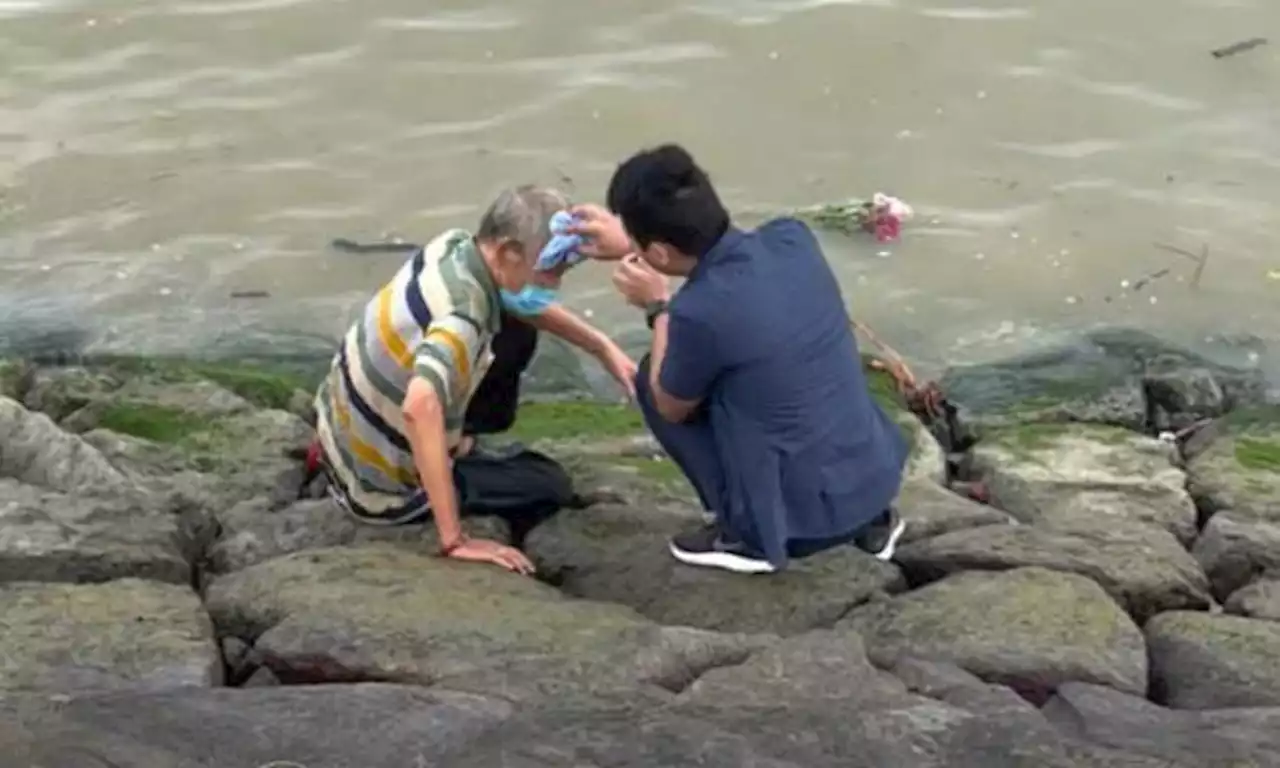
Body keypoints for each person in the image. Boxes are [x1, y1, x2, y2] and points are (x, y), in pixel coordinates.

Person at [566, 144, 909, 575]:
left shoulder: (697, 313)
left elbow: (670, 404)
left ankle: (747, 536)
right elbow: (731, 255)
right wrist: (637, 242)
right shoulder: (792, 238)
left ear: (658, 254)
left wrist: (658, 309)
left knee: (656, 380)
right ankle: (873, 523)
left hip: (805, 526)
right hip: (873, 482)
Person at [311, 185, 633, 575]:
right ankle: (444, 466)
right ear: (509, 252)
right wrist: (455, 541)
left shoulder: (454, 247)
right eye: (551, 270)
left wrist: (600, 347)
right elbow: (419, 407)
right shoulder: (462, 318)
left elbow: (521, 303)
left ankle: (456, 441)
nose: (553, 285)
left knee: (515, 327)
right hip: (377, 486)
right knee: (549, 483)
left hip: (338, 432)